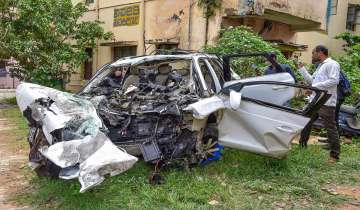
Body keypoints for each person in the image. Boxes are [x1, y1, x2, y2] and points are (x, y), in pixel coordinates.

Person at [297, 45, 340, 163]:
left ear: (320, 52)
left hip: (326, 101)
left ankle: (334, 155)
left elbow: (334, 80)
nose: (312, 55)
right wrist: (302, 70)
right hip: (315, 100)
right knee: (306, 121)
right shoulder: (320, 66)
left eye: (313, 53)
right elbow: (312, 81)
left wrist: (314, 87)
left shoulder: (332, 64)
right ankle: (302, 146)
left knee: (330, 128)